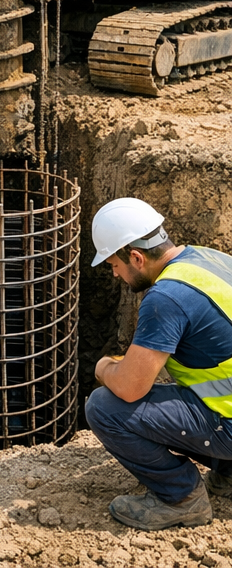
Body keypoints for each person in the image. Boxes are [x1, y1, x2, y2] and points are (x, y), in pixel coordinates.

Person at [85, 197, 232, 531]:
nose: (116, 273)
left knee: (104, 407)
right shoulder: (210, 258)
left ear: (136, 257)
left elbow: (130, 387)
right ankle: (229, 475)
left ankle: (180, 498)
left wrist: (105, 367)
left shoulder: (166, 298)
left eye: (115, 265)